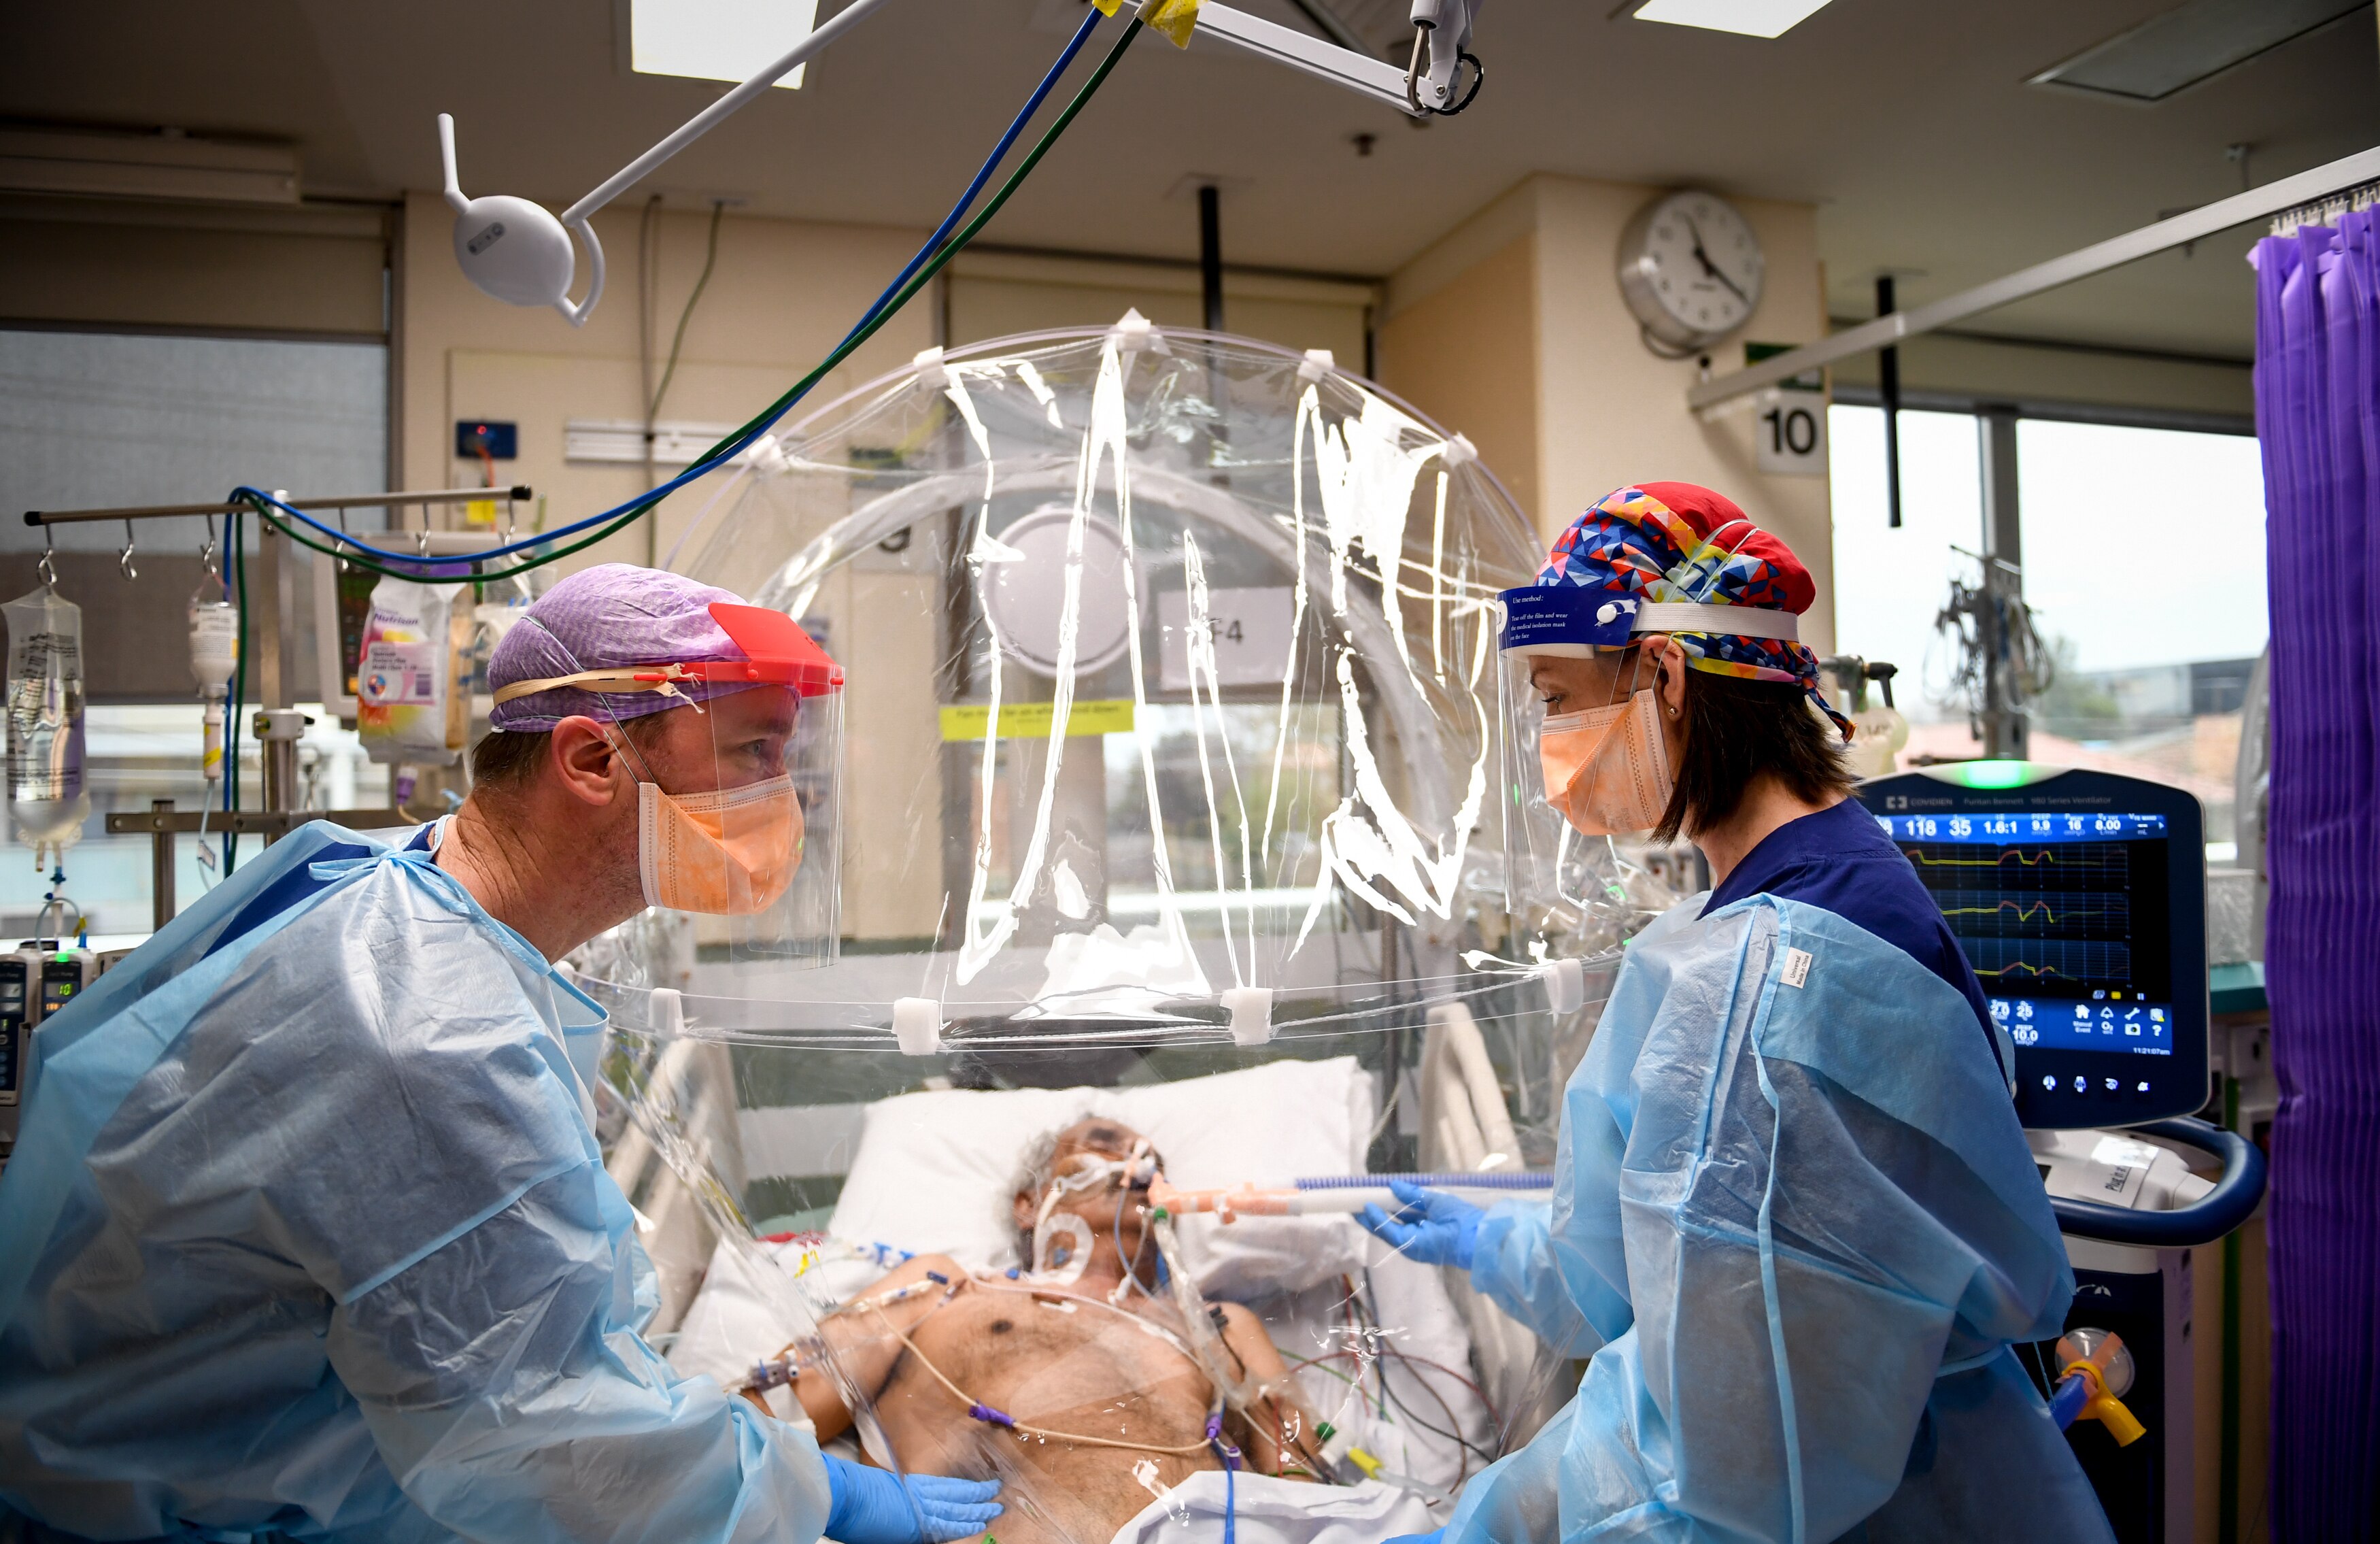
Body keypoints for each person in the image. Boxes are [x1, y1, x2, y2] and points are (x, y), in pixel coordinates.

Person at [0, 565, 999, 1544]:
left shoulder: (398, 893)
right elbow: (550, 1431)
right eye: (752, 752)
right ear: (593, 761)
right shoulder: (429, 1033)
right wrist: (802, 1492)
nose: (786, 799)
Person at [1358, 485, 2111, 1544]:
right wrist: (1494, 1244)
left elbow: (1724, 1480)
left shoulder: (1777, 978)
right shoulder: (1816, 883)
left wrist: (1489, 1528)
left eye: (1559, 698)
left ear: (1663, 674)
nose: (1552, 740)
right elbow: (1654, 1275)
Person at [765, 1117, 1357, 1544]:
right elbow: (758, 1423)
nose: (1133, 1162)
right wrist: (840, 1495)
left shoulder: (1220, 1327)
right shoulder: (943, 1287)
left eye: (1150, 1158)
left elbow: (1303, 1495)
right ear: (1029, 1204)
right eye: (1103, 1146)